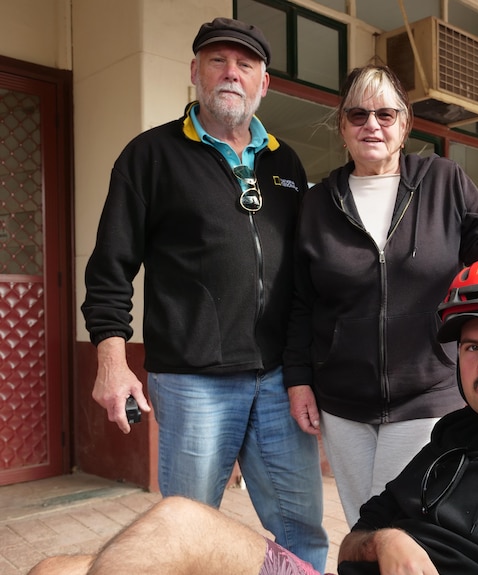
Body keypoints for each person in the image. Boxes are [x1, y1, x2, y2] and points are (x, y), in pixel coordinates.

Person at [36, 256, 478, 575]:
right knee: (55, 570)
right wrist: (387, 540)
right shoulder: (451, 442)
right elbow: (350, 547)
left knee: (173, 518)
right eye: (472, 347)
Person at [79, 17, 328, 571]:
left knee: (302, 531)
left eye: (246, 66)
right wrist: (112, 363)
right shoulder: (149, 156)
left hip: (278, 383)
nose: (231, 74)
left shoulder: (285, 163)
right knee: (186, 528)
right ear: (195, 72)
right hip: (194, 382)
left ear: (264, 84)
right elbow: (110, 268)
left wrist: (306, 368)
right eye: (217, 61)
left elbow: (306, 276)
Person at [285, 64, 478, 527]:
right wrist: (298, 379)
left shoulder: (442, 180)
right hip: (343, 400)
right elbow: (302, 300)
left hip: (426, 395)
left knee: (412, 527)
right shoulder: (319, 203)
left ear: (405, 124)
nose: (371, 125)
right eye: (357, 115)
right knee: (364, 526)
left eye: (385, 114)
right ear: (341, 126)